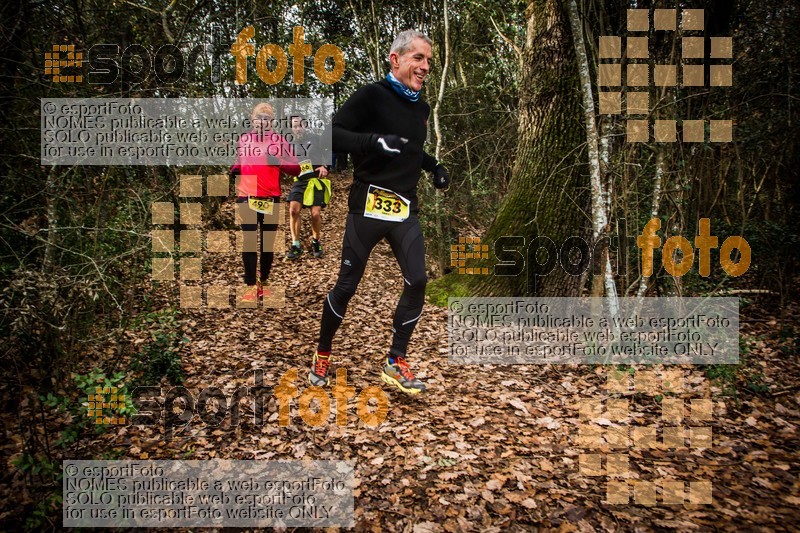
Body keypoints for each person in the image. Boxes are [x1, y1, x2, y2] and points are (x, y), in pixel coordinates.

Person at [308, 30, 450, 394]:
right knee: (347, 286)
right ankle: (323, 352)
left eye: (429, 60)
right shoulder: (372, 96)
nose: (425, 67)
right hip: (368, 204)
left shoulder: (421, 107)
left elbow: (410, 149)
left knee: (418, 280)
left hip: (404, 206)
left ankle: (395, 359)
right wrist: (371, 141)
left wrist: (433, 166)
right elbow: (332, 134)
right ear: (396, 59)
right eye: (418, 58)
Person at [230, 103, 300, 304]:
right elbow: (241, 160)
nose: (262, 121)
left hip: (270, 197)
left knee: (267, 243)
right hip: (247, 195)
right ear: (253, 120)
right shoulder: (244, 140)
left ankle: (264, 281)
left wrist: (277, 162)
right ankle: (251, 286)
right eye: (259, 117)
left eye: (266, 118)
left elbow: (295, 168)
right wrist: (236, 168)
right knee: (249, 240)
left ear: (272, 121)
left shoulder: (279, 141)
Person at [287, 115, 330, 259]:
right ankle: (296, 245)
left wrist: (326, 166)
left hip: (315, 179)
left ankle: (316, 241)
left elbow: (329, 151)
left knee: (315, 214)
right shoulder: (289, 144)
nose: (298, 128)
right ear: (291, 129)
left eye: (300, 125)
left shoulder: (316, 138)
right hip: (299, 180)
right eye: (295, 126)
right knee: (293, 210)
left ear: (305, 125)